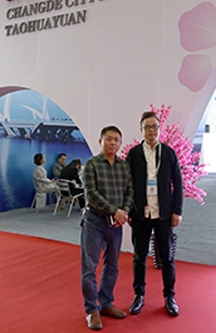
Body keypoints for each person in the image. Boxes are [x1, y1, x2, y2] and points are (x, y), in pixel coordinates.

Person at [126, 111, 183, 317]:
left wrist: (177, 211)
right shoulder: (133, 154)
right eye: (147, 127)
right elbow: (127, 184)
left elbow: (178, 183)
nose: (152, 130)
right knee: (139, 256)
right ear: (141, 130)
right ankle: (139, 295)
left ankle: (169, 297)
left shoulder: (168, 153)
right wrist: (129, 209)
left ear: (160, 129)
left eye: (155, 126)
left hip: (164, 214)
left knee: (167, 257)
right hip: (141, 213)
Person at [81, 126, 133, 330]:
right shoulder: (91, 164)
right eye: (109, 139)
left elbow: (130, 191)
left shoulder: (124, 166)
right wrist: (115, 211)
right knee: (89, 268)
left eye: (116, 140)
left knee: (112, 266)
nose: (113, 143)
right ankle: (91, 310)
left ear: (120, 143)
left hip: (116, 224)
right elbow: (91, 194)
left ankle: (106, 303)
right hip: (95, 222)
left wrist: (124, 212)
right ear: (100, 141)